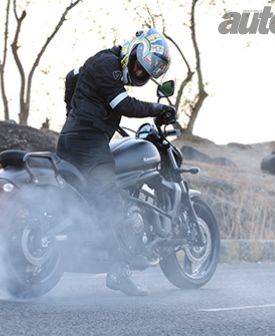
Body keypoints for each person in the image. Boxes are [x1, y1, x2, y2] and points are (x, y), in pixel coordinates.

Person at [57, 28, 177, 296]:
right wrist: (160, 109)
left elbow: (72, 76)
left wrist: (74, 113)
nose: (138, 74)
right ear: (133, 50)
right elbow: (124, 105)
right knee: (112, 204)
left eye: (144, 73)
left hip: (76, 140)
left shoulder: (99, 65)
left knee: (93, 200)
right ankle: (118, 272)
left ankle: (91, 246)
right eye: (137, 66)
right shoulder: (107, 63)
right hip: (88, 145)